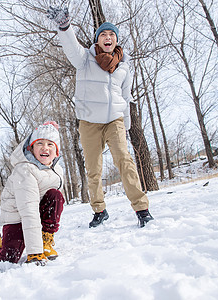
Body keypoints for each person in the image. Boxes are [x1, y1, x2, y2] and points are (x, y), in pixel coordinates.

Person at [47, 7, 154, 228]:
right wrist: (65, 27)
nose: (108, 38)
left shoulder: (123, 66)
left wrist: (126, 123)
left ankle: (142, 209)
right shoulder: (85, 59)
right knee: (93, 169)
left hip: (114, 120)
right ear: (98, 39)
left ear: (116, 41)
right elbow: (71, 47)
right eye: (104, 35)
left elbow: (126, 96)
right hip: (89, 122)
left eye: (112, 35)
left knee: (125, 161)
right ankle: (99, 210)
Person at [0, 121, 65, 266]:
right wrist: (34, 253)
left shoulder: (58, 171)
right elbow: (29, 211)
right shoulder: (25, 170)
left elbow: (54, 207)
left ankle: (45, 242)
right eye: (39, 143)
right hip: (16, 216)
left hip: (36, 213)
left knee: (55, 196)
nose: (45, 148)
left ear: (56, 151)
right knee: (9, 258)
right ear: (31, 148)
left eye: (50, 144)